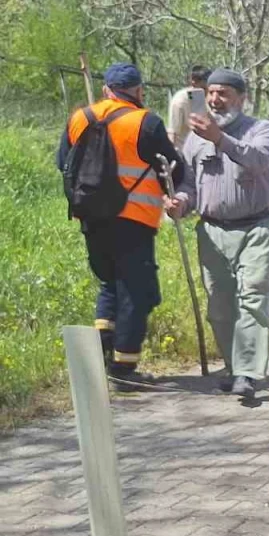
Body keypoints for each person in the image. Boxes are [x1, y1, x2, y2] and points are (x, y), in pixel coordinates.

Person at [57, 63, 185, 386]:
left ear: (106, 90)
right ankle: (124, 369)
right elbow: (174, 168)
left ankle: (103, 358)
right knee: (134, 291)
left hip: (91, 217)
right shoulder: (146, 122)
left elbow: (63, 163)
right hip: (133, 218)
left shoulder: (80, 118)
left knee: (110, 284)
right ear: (139, 90)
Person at [167, 68, 269, 400]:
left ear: (242, 98)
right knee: (219, 305)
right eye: (211, 93)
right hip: (213, 231)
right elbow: (190, 185)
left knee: (253, 298)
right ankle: (234, 368)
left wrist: (219, 138)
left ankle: (247, 372)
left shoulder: (261, 130)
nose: (215, 99)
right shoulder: (193, 139)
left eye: (223, 93)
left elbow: (259, 160)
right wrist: (179, 203)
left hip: (256, 227)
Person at [167, 64, 209, 146]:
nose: (207, 92)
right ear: (194, 82)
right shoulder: (180, 101)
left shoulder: (210, 99)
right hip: (183, 148)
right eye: (204, 88)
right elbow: (173, 132)